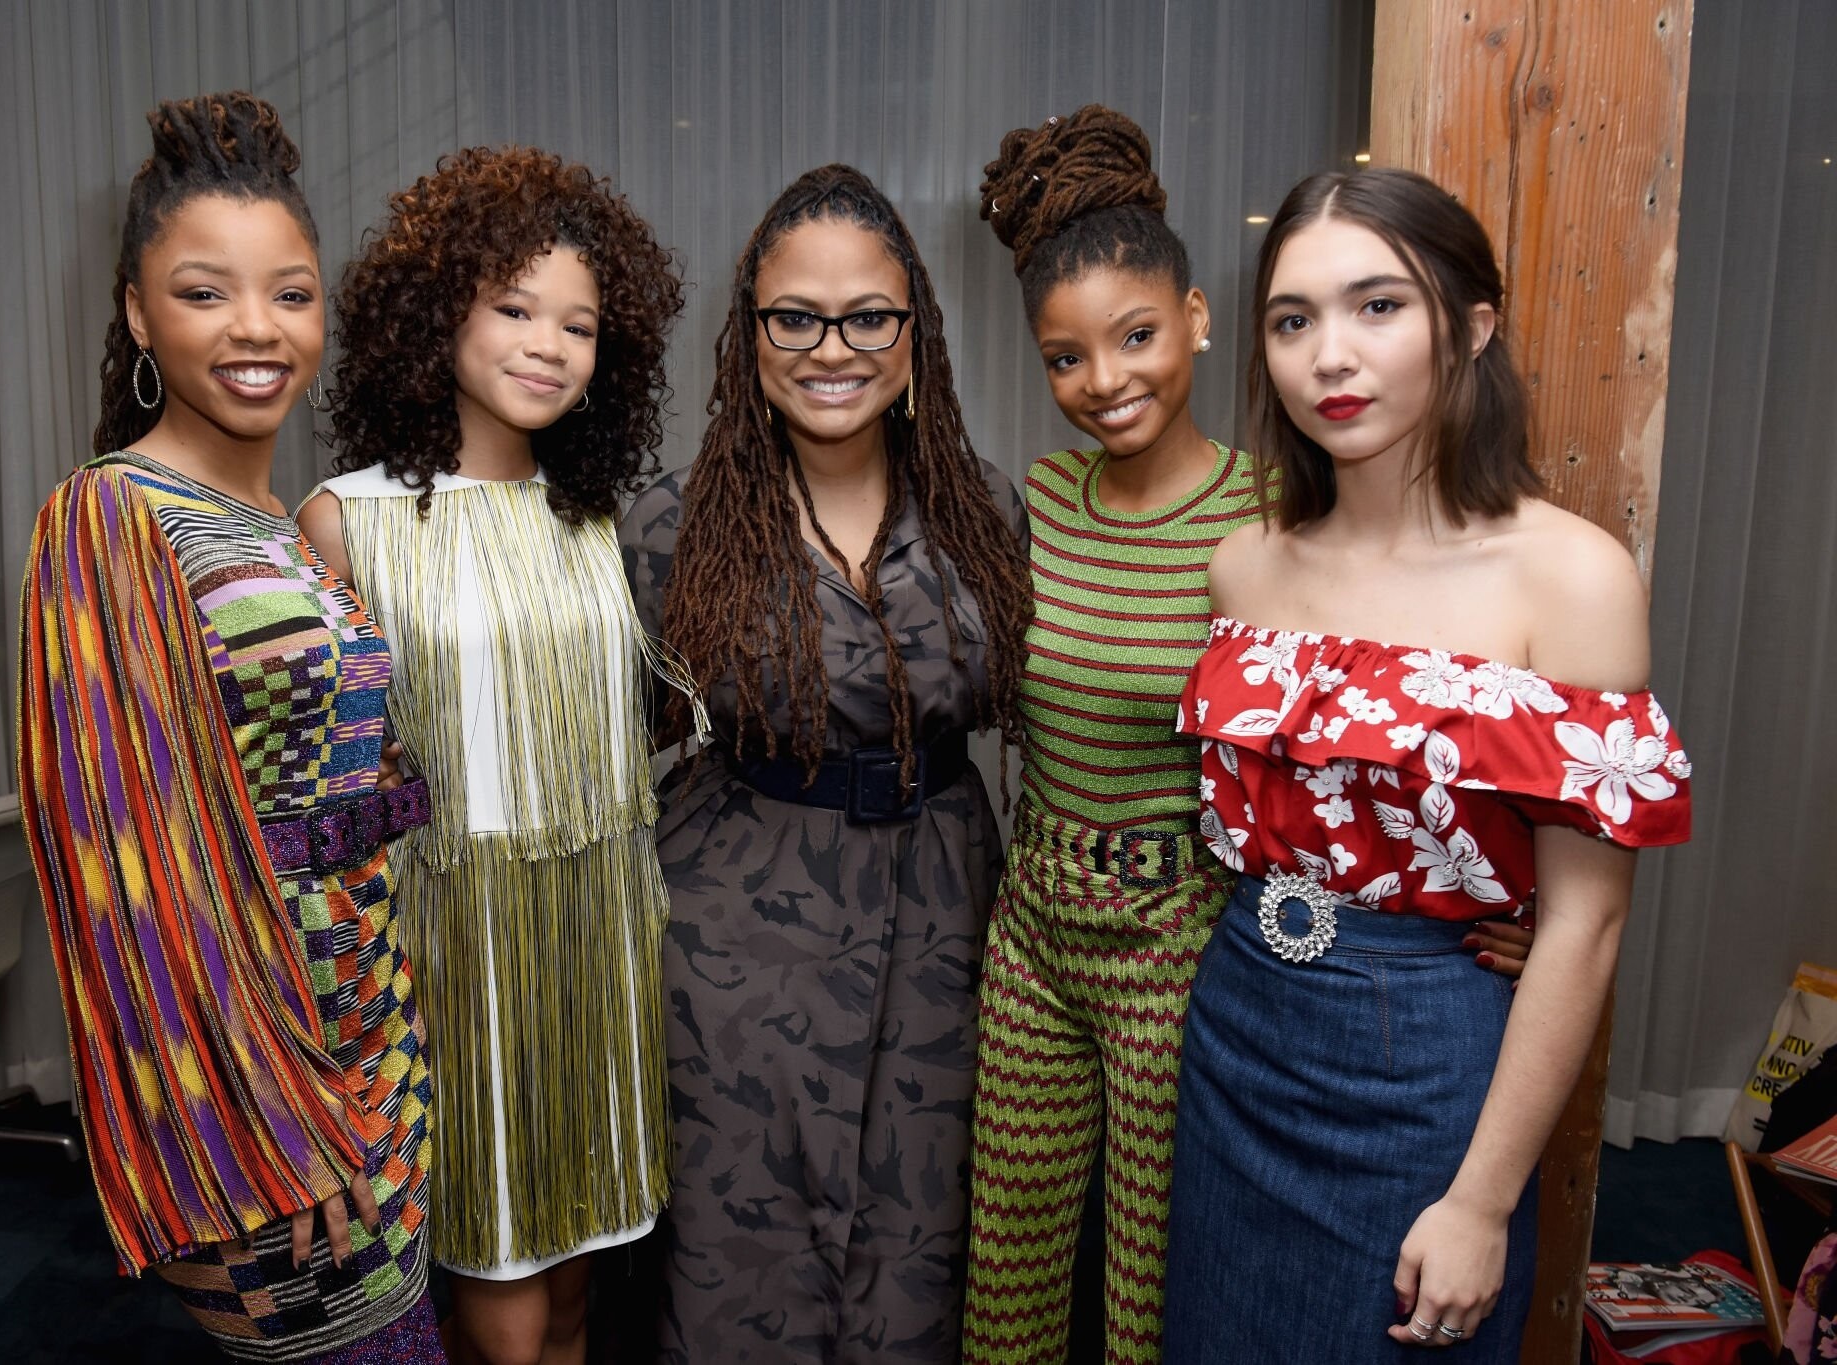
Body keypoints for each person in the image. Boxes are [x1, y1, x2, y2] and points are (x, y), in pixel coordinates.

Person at [959, 106, 1531, 1365]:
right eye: (1064, 359)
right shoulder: (1036, 501)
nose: (1104, 381)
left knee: (1154, 1272)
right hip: (1035, 917)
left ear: (1199, 318)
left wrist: (1507, 893)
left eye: (1135, 337)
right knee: (1005, 1251)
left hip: (1184, 930)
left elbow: (1398, 716)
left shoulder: (1273, 521)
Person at [1164, 166, 1691, 1361]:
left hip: (1426, 1061)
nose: (1328, 356)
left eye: (1377, 306)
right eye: (1291, 320)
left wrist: (1482, 1202)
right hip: (1239, 1021)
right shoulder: (1243, 566)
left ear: (1470, 325)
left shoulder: (1570, 577)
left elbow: (1584, 924)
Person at [15, 92, 443, 1361]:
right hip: (256, 1091)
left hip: (368, 1031)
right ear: (138, 313)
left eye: (290, 294)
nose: (257, 327)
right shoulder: (110, 516)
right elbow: (124, 875)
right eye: (204, 293)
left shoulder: (278, 525)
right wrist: (264, 1125)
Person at [619, 164, 1032, 1364]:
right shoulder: (669, 523)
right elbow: (613, 741)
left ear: (915, 332)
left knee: (917, 1262)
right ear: (749, 330)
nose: (831, 349)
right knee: (740, 1268)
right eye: (794, 318)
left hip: (943, 926)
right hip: (735, 943)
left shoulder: (983, 508)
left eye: (867, 318)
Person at [298, 145, 685, 1365]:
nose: (546, 345)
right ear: (437, 313)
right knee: (501, 1297)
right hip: (449, 956)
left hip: (596, 943)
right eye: (515, 308)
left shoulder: (602, 521)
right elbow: (320, 790)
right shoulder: (346, 518)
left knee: (571, 1297)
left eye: (578, 324)